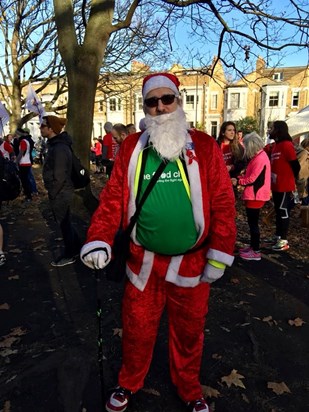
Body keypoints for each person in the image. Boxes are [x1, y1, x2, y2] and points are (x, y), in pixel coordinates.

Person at [80, 72, 236, 412]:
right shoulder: (130, 148)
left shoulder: (206, 147)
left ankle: (189, 388)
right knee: (136, 329)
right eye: (152, 101)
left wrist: (220, 252)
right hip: (143, 263)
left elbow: (224, 201)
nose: (160, 107)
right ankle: (129, 381)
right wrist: (98, 239)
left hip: (192, 263)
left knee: (189, 333)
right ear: (145, 107)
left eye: (167, 99)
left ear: (179, 102)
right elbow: (112, 199)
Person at [41, 115, 81, 267]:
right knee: (66, 223)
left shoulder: (59, 147)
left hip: (61, 192)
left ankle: (70, 254)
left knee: (64, 224)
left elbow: (60, 175)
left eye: (43, 126)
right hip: (61, 191)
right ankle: (76, 247)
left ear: (51, 129)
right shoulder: (55, 145)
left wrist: (52, 192)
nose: (40, 128)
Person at [232, 132, 271, 260]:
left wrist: (239, 181)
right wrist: (241, 178)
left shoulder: (260, 158)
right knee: (252, 223)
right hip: (254, 194)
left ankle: (255, 251)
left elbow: (253, 179)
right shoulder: (259, 156)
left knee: (253, 224)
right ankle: (253, 247)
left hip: (255, 195)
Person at [266, 120, 300, 251]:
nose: (269, 130)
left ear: (278, 130)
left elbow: (295, 165)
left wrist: (292, 180)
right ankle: (278, 235)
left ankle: (284, 240)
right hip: (276, 186)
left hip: (285, 186)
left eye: (272, 128)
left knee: (283, 210)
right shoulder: (275, 146)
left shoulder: (286, 145)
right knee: (278, 211)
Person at [15, 128, 33, 202]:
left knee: (25, 181)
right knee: (25, 180)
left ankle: (28, 197)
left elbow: (21, 153)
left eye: (16, 134)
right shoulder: (25, 140)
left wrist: (16, 162)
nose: (15, 135)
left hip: (24, 163)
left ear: (19, 134)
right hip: (26, 162)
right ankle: (28, 195)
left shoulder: (23, 141)